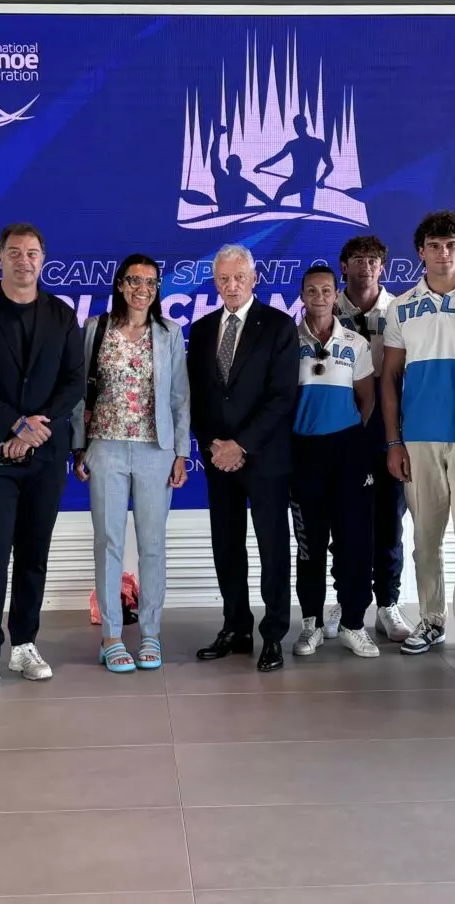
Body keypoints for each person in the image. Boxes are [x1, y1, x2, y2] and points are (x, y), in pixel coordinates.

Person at [0, 223, 86, 697]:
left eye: (32, 253)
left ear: (42, 259)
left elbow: (74, 380)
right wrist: (13, 425)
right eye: (14, 252)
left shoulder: (62, 315)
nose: (23, 260)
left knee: (33, 555)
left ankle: (24, 644)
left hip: (45, 455)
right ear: (0, 258)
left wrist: (35, 428)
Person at [381, 211, 455, 661]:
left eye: (451, 245)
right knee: (425, 541)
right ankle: (431, 620)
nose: (442, 253)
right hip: (419, 440)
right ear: (421, 252)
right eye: (434, 245)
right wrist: (394, 441)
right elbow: (390, 378)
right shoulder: (401, 306)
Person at [71, 254, 190, 673]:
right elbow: (79, 392)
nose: (143, 289)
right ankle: (111, 636)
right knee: (108, 542)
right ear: (120, 284)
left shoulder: (169, 332)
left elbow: (180, 396)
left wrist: (181, 452)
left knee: (152, 544)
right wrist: (78, 446)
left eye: (151, 282)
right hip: (105, 447)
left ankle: (151, 633)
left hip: (155, 450)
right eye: (135, 281)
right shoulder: (95, 328)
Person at [189, 243, 300, 672]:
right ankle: (235, 628)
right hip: (219, 460)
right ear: (215, 282)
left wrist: (242, 444)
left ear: (254, 279)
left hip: (265, 458)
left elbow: (281, 396)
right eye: (223, 279)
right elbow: (195, 398)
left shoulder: (278, 325)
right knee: (226, 546)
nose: (231, 286)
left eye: (239, 277)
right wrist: (215, 446)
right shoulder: (201, 330)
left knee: (273, 548)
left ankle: (273, 635)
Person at [291, 264, 379, 659]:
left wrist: (347, 435)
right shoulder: (288, 341)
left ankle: (353, 624)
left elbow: (367, 398)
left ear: (335, 294)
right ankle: (310, 624)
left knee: (353, 541)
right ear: (302, 295)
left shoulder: (355, 343)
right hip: (303, 452)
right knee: (309, 544)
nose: (320, 297)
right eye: (312, 290)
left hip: (347, 451)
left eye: (326, 290)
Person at [334, 234, 411, 643]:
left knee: (389, 520)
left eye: (373, 259)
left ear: (383, 267)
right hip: (340, 421)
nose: (365, 265)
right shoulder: (326, 307)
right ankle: (344, 600)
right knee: (343, 520)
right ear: (343, 265)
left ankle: (388, 602)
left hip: (387, 424)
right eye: (358, 258)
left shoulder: (399, 310)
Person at [253, 114, 333, 213]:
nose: (297, 128)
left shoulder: (317, 143)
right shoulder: (294, 144)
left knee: (305, 210)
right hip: (296, 181)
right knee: (281, 193)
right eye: (296, 125)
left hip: (308, 184)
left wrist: (322, 179)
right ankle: (275, 212)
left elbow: (330, 165)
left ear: (305, 125)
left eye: (299, 125)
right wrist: (260, 165)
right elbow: (276, 158)